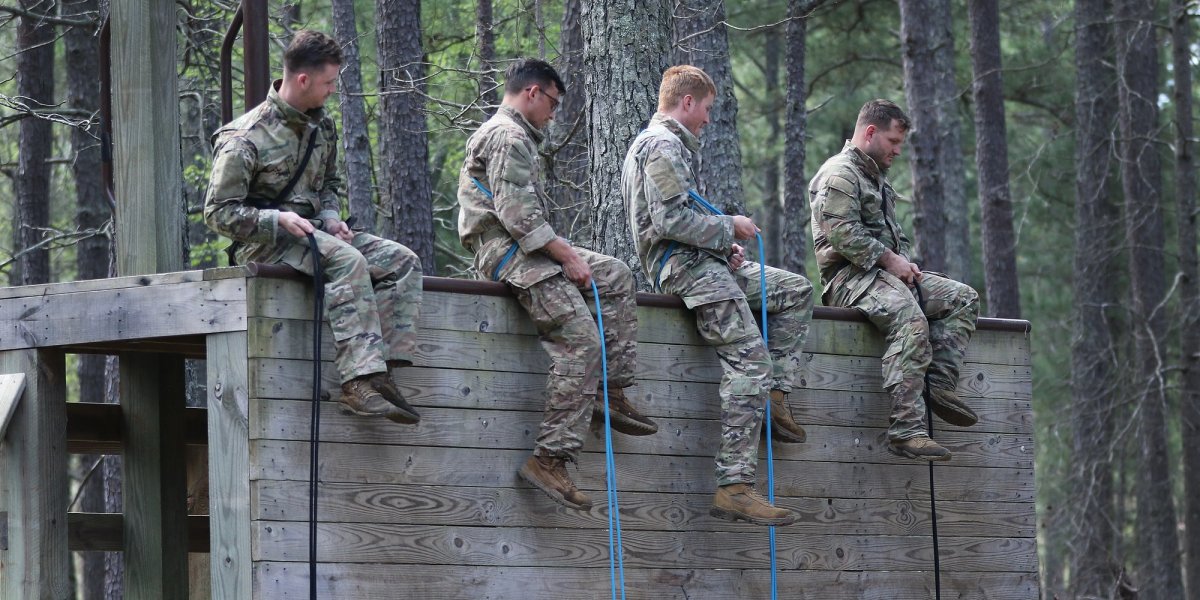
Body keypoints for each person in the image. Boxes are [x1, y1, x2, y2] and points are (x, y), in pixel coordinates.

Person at [457, 58, 659, 511]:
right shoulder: (508, 136)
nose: (553, 113)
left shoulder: (517, 136)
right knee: (580, 341)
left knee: (614, 275)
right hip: (508, 252)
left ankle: (609, 390)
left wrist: (565, 253)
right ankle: (550, 459)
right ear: (532, 92)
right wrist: (564, 254)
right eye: (552, 102)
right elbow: (516, 215)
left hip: (525, 246)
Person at [621, 65, 814, 526]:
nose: (708, 119)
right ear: (687, 102)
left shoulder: (664, 146)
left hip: (699, 261)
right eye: (706, 109)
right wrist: (731, 225)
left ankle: (774, 398)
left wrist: (718, 244)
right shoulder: (664, 146)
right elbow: (668, 223)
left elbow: (678, 220)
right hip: (684, 270)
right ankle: (735, 485)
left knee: (793, 291)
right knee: (750, 363)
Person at [204, 30, 422, 425]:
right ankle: (356, 384)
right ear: (303, 80)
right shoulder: (244, 137)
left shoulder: (324, 128)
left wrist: (334, 216)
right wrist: (277, 219)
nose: (332, 91)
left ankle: (379, 372)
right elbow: (218, 213)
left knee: (401, 261)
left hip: (316, 232)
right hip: (266, 241)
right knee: (347, 260)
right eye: (328, 82)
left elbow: (330, 185)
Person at [808, 99, 980, 462]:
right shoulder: (840, 173)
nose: (898, 151)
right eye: (892, 141)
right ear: (869, 133)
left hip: (882, 276)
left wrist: (901, 264)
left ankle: (938, 385)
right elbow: (841, 233)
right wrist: (891, 260)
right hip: (849, 279)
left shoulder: (875, 178)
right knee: (910, 317)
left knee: (961, 298)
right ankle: (906, 429)